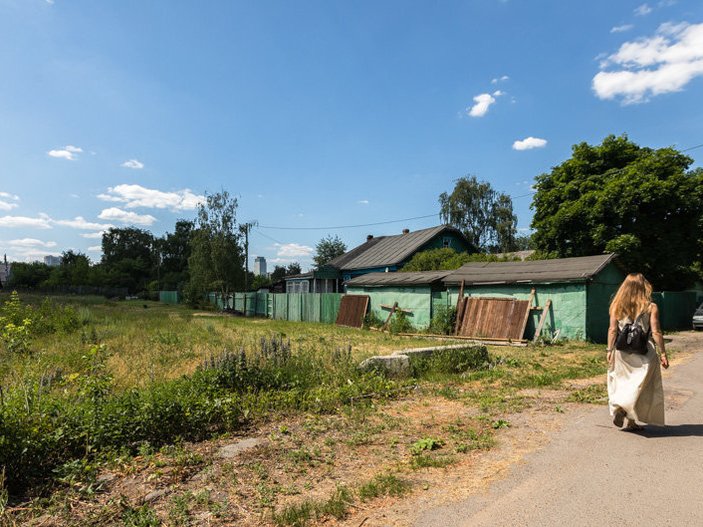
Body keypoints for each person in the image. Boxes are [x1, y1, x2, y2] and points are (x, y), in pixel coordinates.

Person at [607, 273, 669, 431]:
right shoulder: (650, 306)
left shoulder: (616, 305)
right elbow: (656, 332)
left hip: (622, 352)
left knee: (623, 382)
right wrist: (663, 353)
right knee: (640, 386)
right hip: (644, 351)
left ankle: (630, 420)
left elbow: (613, 330)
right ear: (643, 286)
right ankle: (623, 411)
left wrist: (609, 350)